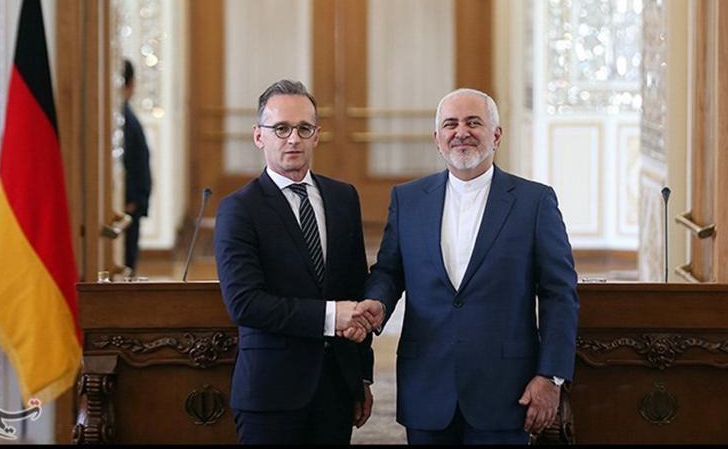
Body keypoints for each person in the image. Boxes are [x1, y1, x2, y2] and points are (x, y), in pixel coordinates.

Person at [352, 88, 579, 445]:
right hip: (426, 384)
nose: (461, 132)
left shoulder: (535, 202)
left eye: (474, 123)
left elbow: (559, 294)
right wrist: (378, 302)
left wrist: (551, 376)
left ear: (496, 135)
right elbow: (389, 272)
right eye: (450, 124)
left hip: (506, 390)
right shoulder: (408, 199)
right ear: (437, 138)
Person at [213, 79, 374, 444]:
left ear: (317, 135)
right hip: (270, 392)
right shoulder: (239, 209)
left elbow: (355, 289)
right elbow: (244, 304)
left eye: (304, 128)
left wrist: (361, 377)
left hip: (336, 388)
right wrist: (331, 316)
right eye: (281, 129)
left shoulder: (343, 198)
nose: (293, 139)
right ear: (259, 136)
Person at [121, 59, 152, 274]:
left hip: (132, 203)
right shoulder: (124, 118)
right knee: (126, 263)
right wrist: (132, 198)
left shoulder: (126, 116)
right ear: (131, 83)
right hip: (128, 204)